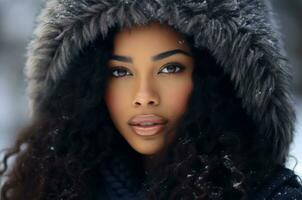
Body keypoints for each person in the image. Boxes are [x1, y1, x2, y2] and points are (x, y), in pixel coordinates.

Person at [1, 0, 302, 199]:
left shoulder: (271, 195)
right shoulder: (43, 190)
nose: (144, 96)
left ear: (219, 81)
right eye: (120, 72)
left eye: (170, 68)